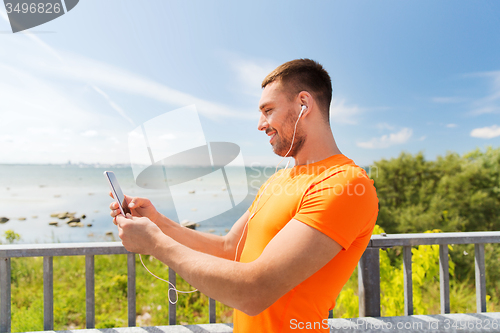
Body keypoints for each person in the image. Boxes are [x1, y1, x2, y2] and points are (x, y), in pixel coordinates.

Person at [110, 59, 379, 332]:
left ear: (304, 105)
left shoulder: (345, 184)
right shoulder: (279, 180)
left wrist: (155, 244)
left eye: (268, 110)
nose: (261, 124)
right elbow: (229, 249)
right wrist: (158, 223)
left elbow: (256, 291)